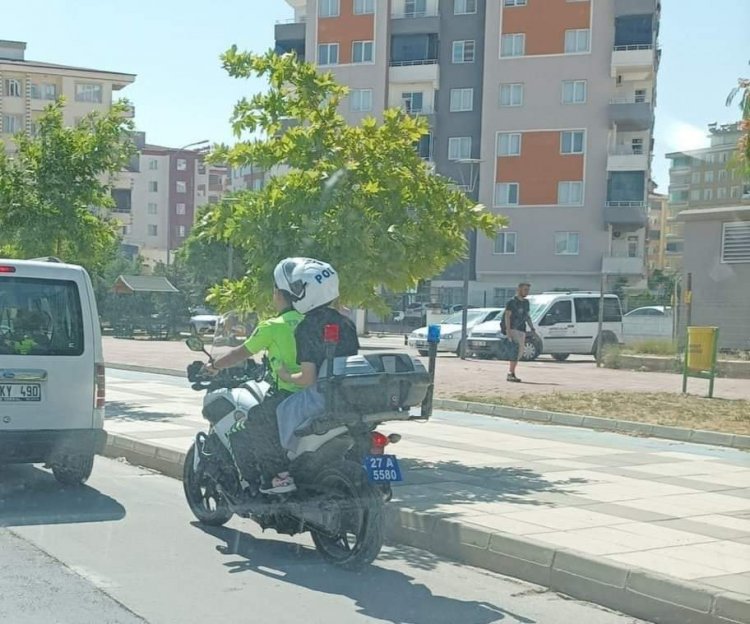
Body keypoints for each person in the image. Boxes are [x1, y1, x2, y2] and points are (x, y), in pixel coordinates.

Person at [249, 257, 359, 495]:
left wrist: (285, 375)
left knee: (260, 417)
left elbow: (307, 379)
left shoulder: (308, 326)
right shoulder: (347, 323)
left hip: (320, 397)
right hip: (346, 396)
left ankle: (277, 476)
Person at [203, 280, 303, 493]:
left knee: (249, 427)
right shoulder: (310, 322)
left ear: (278, 295)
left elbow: (241, 352)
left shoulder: (273, 326)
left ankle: (275, 477)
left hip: (286, 393)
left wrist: (214, 366)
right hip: (313, 393)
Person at [504, 282, 537, 383]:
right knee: (515, 350)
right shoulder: (512, 302)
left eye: (527, 290)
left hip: (522, 329)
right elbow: (507, 316)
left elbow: (527, 316)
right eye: (525, 289)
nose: (526, 292)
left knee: (520, 352)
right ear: (519, 289)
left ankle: (512, 372)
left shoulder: (526, 302)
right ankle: (511, 373)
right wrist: (508, 330)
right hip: (514, 329)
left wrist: (532, 328)